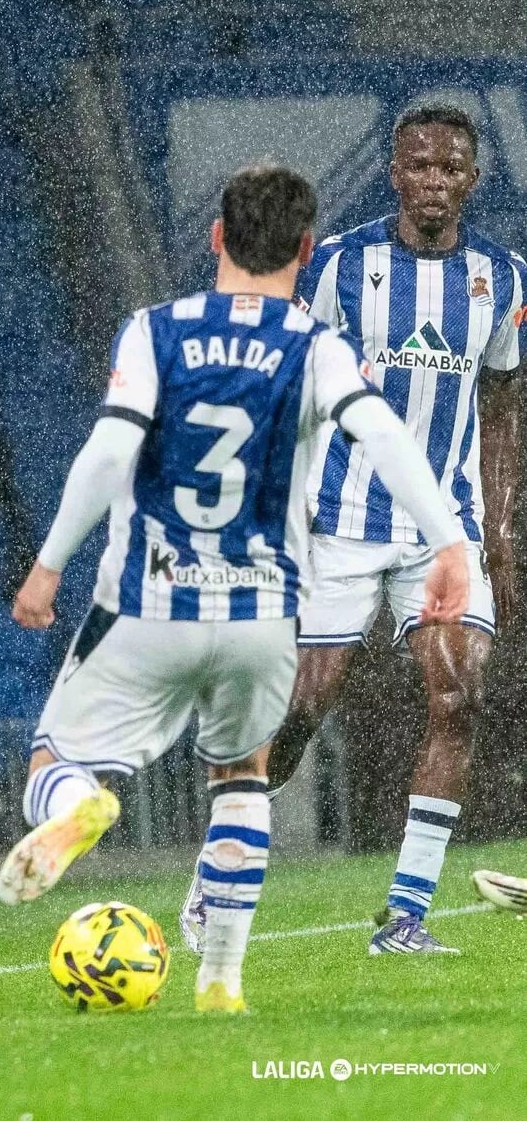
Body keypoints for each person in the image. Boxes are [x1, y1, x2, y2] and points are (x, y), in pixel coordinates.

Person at [0, 165, 470, 1013]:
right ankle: (221, 982)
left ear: (216, 238)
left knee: (55, 759)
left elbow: (108, 451)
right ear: (307, 250)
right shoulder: (316, 346)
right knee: (243, 778)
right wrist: (448, 543)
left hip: (150, 599)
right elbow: (386, 436)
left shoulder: (154, 331)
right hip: (260, 610)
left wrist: (49, 562)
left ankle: (81, 806)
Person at [178, 105, 527, 958]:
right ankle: (209, 882)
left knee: (459, 698)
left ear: (471, 181)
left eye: (450, 168)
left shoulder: (504, 280)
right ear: (395, 173)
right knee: (300, 711)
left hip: (444, 529)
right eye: (419, 166)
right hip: (342, 520)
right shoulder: (337, 268)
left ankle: (405, 917)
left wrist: (504, 529)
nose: (434, 181)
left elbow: (503, 404)